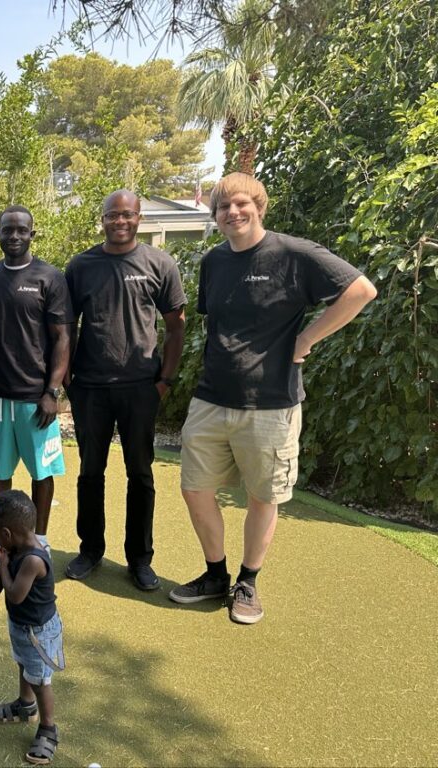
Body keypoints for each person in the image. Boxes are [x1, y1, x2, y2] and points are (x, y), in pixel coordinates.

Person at [169, 172, 377, 624]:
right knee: (195, 488)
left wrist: (307, 339)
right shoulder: (214, 262)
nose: (232, 212)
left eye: (241, 203)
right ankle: (215, 576)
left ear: (259, 207)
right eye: (223, 207)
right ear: (215, 215)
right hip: (211, 398)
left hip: (271, 403)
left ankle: (247, 582)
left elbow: (361, 290)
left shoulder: (294, 254)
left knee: (263, 496)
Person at [63, 191, 186, 590]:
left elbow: (176, 327)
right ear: (102, 219)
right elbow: (66, 327)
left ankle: (140, 559)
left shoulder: (159, 263)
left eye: (127, 214)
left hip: (140, 388)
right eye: (113, 215)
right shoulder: (81, 266)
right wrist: (67, 379)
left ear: (139, 218)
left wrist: (164, 380)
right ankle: (90, 550)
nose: (120, 221)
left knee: (141, 474)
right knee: (90, 473)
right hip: (90, 388)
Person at [0, 205, 72, 568]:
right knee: (0, 474)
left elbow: (62, 338)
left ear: (33, 234)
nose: (14, 235)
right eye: (7, 230)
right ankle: (0, 543)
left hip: (36, 399)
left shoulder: (50, 277)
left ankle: (39, 540)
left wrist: (52, 392)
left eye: (21, 230)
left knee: (41, 474)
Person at [0, 490, 63, 766]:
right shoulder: (15, 546)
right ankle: (26, 706)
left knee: (40, 680)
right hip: (22, 626)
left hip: (39, 633)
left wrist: (4, 565)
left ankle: (48, 729)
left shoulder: (33, 560)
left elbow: (15, 594)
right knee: (24, 666)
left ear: (7, 533)